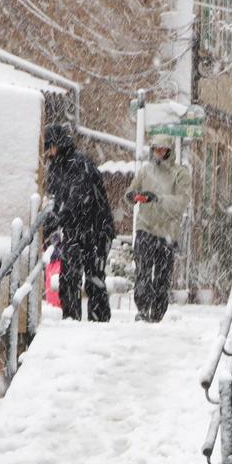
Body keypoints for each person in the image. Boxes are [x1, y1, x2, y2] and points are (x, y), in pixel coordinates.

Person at [40, 123, 115, 321]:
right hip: (74, 229)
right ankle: (71, 320)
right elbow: (56, 202)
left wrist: (56, 219)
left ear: (57, 145)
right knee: (68, 276)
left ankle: (98, 323)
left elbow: (78, 199)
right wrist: (48, 225)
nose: (47, 152)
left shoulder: (80, 164)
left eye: (49, 147)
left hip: (96, 228)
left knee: (94, 278)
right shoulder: (55, 169)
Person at [128, 136, 189, 322]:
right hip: (145, 227)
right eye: (156, 149)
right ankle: (143, 309)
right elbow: (131, 190)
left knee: (162, 277)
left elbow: (181, 203)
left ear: (169, 151)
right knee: (142, 272)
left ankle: (157, 314)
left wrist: (158, 198)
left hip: (167, 232)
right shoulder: (145, 171)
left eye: (163, 150)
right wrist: (132, 195)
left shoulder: (180, 174)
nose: (159, 153)